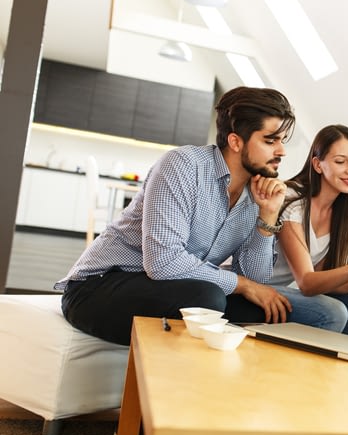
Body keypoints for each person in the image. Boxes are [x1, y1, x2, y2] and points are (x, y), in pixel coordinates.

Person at [56, 86, 330, 346]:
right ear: (235, 141)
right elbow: (163, 263)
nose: (281, 151)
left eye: (282, 141)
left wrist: (267, 218)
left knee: (257, 309)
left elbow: (254, 280)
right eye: (270, 141)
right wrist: (243, 285)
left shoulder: (258, 194)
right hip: (99, 286)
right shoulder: (183, 166)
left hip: (166, 287)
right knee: (206, 298)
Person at [268, 124, 348, 336]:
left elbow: (321, 276)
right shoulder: (292, 203)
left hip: (284, 290)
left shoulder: (339, 213)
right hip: (256, 289)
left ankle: (342, 366)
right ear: (318, 165)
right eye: (341, 161)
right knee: (334, 312)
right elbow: (306, 282)